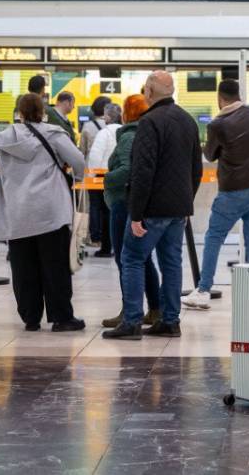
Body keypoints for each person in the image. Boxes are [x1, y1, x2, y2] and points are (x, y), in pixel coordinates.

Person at [102, 72, 201, 340]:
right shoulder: (187, 120)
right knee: (171, 263)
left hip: (153, 208)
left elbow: (142, 171)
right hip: (178, 208)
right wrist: (187, 202)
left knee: (132, 258)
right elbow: (196, 168)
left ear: (149, 92)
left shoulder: (149, 122)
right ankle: (170, 321)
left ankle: (132, 321)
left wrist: (136, 213)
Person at [0, 93, 87, 333]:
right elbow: (78, 161)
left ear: (19, 112)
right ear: (43, 112)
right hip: (51, 211)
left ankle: (30, 318)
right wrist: (77, 178)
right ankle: (61, 317)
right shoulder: (54, 134)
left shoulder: (2, 139)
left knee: (23, 267)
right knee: (55, 266)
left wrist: (1, 193)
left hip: (17, 213)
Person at [183, 79, 249, 310]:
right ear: (238, 94)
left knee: (214, 237)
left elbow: (209, 155)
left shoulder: (217, 125)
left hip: (233, 190)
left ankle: (203, 290)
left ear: (219, 98)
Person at [98, 94, 161, 329]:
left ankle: (129, 310)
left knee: (125, 259)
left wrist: (106, 178)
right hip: (138, 202)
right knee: (143, 258)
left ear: (127, 113)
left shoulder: (128, 137)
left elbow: (127, 170)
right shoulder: (148, 133)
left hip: (123, 203)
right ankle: (155, 309)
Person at [83, 102, 121, 257]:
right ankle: (116, 246)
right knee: (115, 211)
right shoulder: (123, 131)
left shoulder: (104, 133)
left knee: (103, 212)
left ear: (107, 117)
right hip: (119, 175)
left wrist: (90, 177)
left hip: (102, 176)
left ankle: (105, 247)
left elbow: (95, 156)